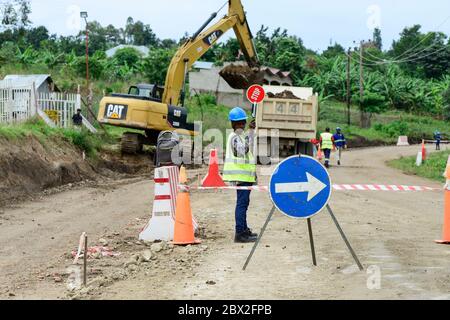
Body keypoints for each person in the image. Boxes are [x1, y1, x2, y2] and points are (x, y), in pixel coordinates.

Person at [223, 107, 258, 243]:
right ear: (233, 124)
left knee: (244, 203)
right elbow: (241, 152)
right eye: (238, 123)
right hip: (240, 177)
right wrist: (250, 134)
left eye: (243, 122)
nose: (241, 125)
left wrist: (250, 132)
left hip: (246, 177)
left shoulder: (241, 136)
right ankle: (240, 233)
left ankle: (244, 230)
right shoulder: (235, 137)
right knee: (242, 204)